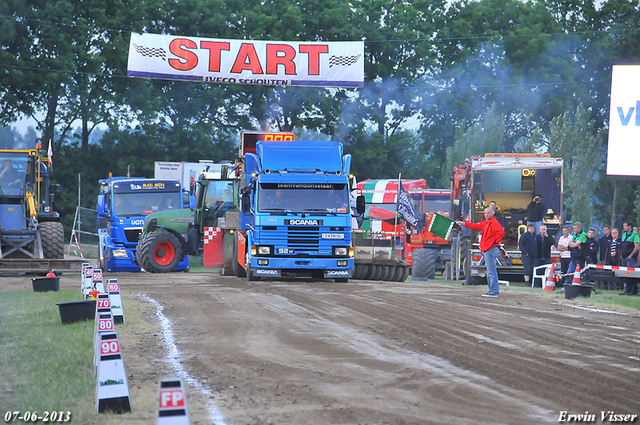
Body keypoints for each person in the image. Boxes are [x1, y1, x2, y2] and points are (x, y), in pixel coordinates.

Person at [457, 207, 505, 297]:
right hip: (487, 249)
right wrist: (464, 224)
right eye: (485, 213)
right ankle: (492, 290)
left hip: (490, 249)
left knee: (491, 272)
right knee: (490, 272)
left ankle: (494, 291)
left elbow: (501, 233)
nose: (486, 214)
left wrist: (493, 241)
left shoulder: (494, 223)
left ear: (492, 213)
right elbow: (476, 226)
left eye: (488, 213)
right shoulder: (486, 223)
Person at [619, 221, 639, 295]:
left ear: (630, 226)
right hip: (624, 257)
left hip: (630, 258)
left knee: (631, 274)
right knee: (625, 274)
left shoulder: (635, 235)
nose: (624, 227)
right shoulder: (624, 234)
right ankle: (627, 290)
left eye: (625, 225)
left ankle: (633, 290)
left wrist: (631, 255)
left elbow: (637, 247)